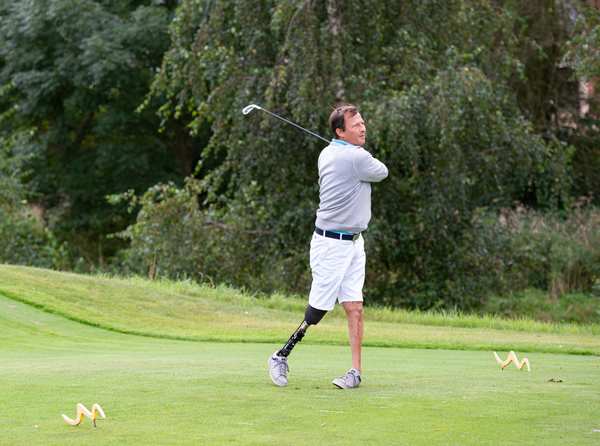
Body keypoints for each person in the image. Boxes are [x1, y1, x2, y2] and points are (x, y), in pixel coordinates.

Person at [268, 103, 388, 389]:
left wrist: (351, 150)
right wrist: (356, 153)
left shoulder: (329, 153)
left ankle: (355, 372)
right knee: (318, 311)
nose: (363, 127)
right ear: (340, 132)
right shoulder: (355, 158)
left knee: (355, 307)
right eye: (356, 125)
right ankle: (280, 355)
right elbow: (382, 171)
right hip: (330, 244)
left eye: (362, 122)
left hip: (354, 243)